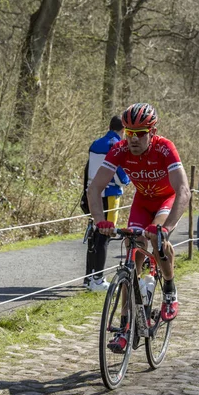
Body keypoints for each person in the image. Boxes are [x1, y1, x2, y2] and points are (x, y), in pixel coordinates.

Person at [87, 103, 190, 350]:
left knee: (156, 237)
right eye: (129, 132)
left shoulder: (165, 149)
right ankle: (124, 328)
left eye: (140, 133)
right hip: (142, 203)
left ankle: (169, 287)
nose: (133, 138)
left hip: (166, 201)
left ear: (152, 132)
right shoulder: (120, 149)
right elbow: (94, 188)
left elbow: (183, 191)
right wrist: (102, 221)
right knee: (131, 253)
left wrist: (169, 226)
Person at [84, 116, 130, 291]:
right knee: (105, 235)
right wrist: (127, 180)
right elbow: (120, 176)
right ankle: (98, 279)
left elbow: (87, 169)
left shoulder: (96, 143)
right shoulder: (116, 145)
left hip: (93, 194)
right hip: (110, 194)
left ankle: (88, 277)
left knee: (94, 235)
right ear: (123, 129)